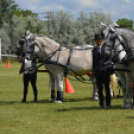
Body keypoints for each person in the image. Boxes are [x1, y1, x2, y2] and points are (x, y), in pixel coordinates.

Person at [92, 33, 114, 108]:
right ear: (95, 41)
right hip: (98, 72)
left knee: (107, 89)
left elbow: (109, 59)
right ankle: (101, 104)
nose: (99, 41)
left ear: (102, 40)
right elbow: (94, 62)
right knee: (99, 90)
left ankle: (108, 104)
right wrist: (93, 70)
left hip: (105, 71)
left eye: (100, 39)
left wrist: (106, 66)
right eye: (97, 40)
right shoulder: (94, 50)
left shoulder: (106, 48)